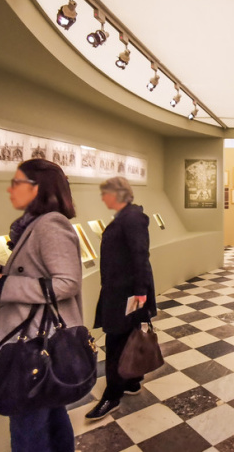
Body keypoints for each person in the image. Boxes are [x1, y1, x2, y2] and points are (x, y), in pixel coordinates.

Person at [0, 159, 83, 452]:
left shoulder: (50, 225)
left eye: (17, 183)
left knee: (29, 430)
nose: (10, 189)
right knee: (50, 415)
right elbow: (38, 274)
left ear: (37, 188)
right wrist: (0, 271)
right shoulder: (35, 226)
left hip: (35, 344)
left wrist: (2, 284)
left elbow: (67, 283)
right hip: (36, 341)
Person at [85, 177, 157, 420]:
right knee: (127, 336)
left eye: (105, 193)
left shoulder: (133, 218)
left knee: (116, 340)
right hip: (122, 290)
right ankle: (132, 381)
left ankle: (112, 394)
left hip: (127, 293)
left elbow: (140, 256)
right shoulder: (126, 216)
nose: (103, 198)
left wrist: (140, 293)